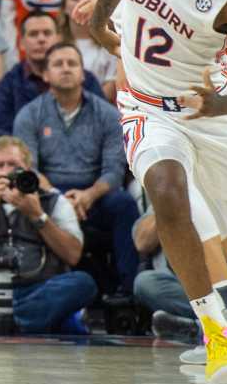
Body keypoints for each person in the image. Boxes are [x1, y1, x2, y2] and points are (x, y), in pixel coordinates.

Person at [89, 0, 227, 379]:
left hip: (213, 112)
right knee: (168, 192)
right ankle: (217, 332)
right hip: (148, 111)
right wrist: (98, 21)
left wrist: (220, 102)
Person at [12, 41, 138, 295]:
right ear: (45, 75)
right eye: (58, 64)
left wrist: (88, 196)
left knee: (124, 204)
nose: (66, 68)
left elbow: (114, 170)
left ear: (83, 73)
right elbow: (29, 168)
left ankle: (128, 292)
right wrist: (58, 199)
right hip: (48, 192)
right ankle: (33, 285)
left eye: (72, 63)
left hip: (95, 194)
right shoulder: (29, 114)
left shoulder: (108, 114)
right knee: (23, 197)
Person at [0, 137, 97, 334]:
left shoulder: (53, 200)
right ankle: (38, 321)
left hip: (42, 286)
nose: (6, 171)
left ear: (28, 168)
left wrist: (37, 215)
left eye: (13, 165)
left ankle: (0, 321)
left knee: (83, 283)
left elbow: (73, 255)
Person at [0, 10, 108, 135]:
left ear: (58, 38)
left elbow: (104, 122)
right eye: (33, 34)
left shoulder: (83, 78)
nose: (41, 39)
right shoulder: (9, 84)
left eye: (47, 33)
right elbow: (2, 131)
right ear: (21, 43)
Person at [60, 0, 118, 100]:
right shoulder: (56, 43)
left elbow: (110, 87)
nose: (82, 3)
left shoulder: (109, 41)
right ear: (64, 7)